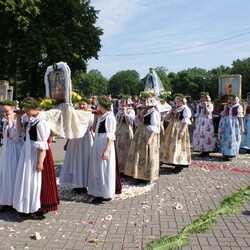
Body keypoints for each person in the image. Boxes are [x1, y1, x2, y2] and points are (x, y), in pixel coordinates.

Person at [13, 97, 51, 214]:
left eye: (27, 109)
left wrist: (39, 162)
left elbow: (42, 144)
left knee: (33, 180)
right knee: (24, 177)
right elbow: (20, 132)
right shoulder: (27, 119)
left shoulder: (41, 122)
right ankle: (24, 205)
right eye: (24, 109)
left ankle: (33, 206)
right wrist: (19, 118)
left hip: (34, 153)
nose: (25, 111)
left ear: (35, 108)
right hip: (27, 150)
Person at [60, 97, 94, 193]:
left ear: (87, 105)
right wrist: (67, 142)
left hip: (86, 139)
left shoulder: (90, 115)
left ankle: (85, 183)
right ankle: (77, 183)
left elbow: (92, 128)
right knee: (75, 160)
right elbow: (71, 129)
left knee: (85, 160)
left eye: (84, 104)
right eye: (80, 104)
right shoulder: (74, 115)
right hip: (75, 140)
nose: (82, 106)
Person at [125, 91, 160, 182]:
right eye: (143, 100)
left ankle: (147, 176)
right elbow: (136, 122)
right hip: (140, 132)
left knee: (147, 153)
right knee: (139, 153)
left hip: (148, 133)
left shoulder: (153, 112)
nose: (143, 102)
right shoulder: (143, 110)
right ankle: (139, 174)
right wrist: (139, 113)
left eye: (145, 100)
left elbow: (155, 127)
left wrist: (150, 138)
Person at [88, 96, 117, 204]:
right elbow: (95, 128)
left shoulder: (110, 117)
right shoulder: (102, 116)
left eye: (99, 104)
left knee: (104, 168)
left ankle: (105, 192)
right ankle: (98, 191)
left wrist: (107, 150)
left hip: (104, 144)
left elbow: (111, 136)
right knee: (97, 167)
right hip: (98, 142)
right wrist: (97, 116)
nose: (97, 106)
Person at [0, 100, 24, 212]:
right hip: (7, 150)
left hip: (15, 151)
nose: (4, 114)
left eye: (6, 111)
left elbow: (14, 137)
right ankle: (6, 199)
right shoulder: (5, 121)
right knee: (5, 174)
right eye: (2, 112)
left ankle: (15, 200)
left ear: (13, 108)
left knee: (13, 174)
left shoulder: (17, 120)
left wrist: (10, 122)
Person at [160, 94, 192, 173]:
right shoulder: (175, 109)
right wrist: (171, 110)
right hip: (172, 127)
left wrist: (183, 131)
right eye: (176, 101)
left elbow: (186, 121)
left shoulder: (185, 109)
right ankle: (170, 160)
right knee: (171, 144)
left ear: (182, 101)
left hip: (179, 127)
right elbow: (166, 118)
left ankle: (179, 164)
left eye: (178, 101)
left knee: (178, 145)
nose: (176, 102)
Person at [218, 94, 244, 161]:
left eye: (231, 99)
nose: (230, 100)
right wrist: (226, 107)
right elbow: (223, 115)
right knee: (225, 137)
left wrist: (242, 127)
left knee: (233, 138)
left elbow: (240, 117)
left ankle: (231, 153)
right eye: (229, 99)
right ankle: (225, 153)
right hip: (226, 123)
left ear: (235, 99)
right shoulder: (227, 106)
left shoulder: (238, 106)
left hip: (234, 123)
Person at [193, 92, 217, 157]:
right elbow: (197, 114)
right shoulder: (199, 105)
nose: (203, 99)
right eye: (202, 97)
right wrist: (195, 122)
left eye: (204, 97)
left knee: (207, 134)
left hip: (207, 121)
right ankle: (201, 149)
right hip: (200, 121)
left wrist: (206, 105)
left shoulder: (210, 105)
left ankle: (207, 150)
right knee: (199, 134)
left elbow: (207, 113)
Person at [115, 96, 135, 174]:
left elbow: (129, 122)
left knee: (126, 148)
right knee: (119, 149)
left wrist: (125, 113)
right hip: (119, 130)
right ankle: (119, 169)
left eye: (124, 102)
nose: (122, 103)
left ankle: (126, 169)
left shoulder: (131, 111)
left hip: (126, 130)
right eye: (121, 102)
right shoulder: (119, 111)